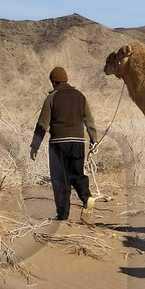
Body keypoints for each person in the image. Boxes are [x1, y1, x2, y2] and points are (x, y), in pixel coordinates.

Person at [29, 66, 97, 224]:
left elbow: (42, 123)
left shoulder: (52, 97)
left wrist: (35, 145)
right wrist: (94, 140)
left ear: (53, 82)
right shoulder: (80, 96)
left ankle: (62, 215)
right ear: (66, 80)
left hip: (58, 143)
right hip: (78, 143)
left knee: (60, 180)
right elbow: (90, 121)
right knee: (76, 174)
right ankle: (86, 198)